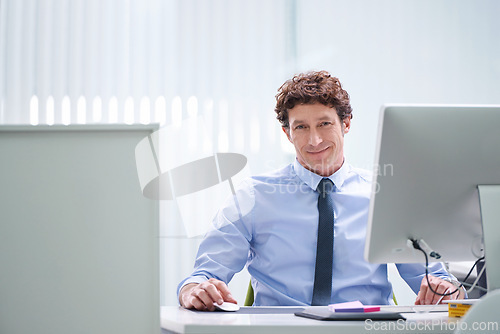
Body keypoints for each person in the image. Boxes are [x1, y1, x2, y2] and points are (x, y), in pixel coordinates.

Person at [177, 70, 464, 311]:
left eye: (324, 124)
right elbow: (204, 275)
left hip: (365, 328)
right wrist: (194, 290)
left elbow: (433, 278)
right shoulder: (253, 197)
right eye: (301, 127)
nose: (314, 140)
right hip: (280, 331)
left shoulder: (385, 196)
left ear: (346, 124)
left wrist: (446, 290)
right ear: (287, 133)